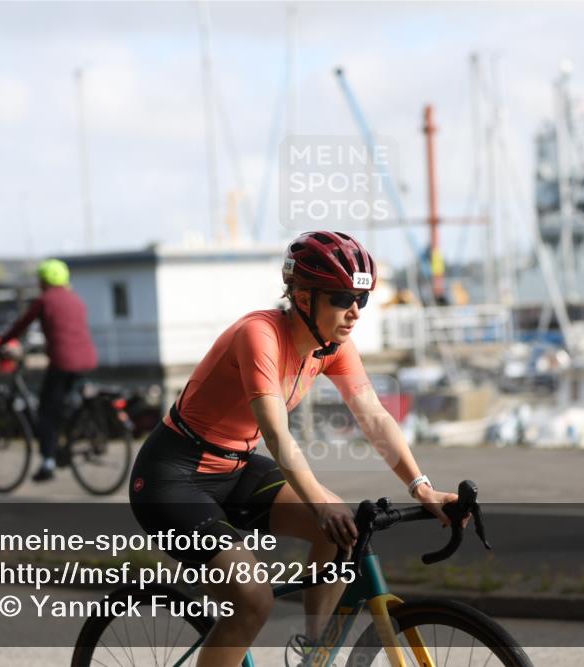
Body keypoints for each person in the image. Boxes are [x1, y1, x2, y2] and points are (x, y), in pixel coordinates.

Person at [128, 231, 469, 666]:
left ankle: (314, 652)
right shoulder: (260, 335)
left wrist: (421, 487)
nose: (354, 313)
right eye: (343, 298)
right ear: (304, 299)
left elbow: (374, 417)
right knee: (253, 599)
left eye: (361, 301)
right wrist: (317, 505)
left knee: (341, 528)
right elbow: (278, 436)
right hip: (172, 477)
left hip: (234, 467)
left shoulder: (332, 347)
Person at [0, 258, 98, 482]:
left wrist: (0, 343)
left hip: (63, 362)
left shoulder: (45, 300)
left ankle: (48, 463)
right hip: (88, 359)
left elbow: (21, 325)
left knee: (46, 413)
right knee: (66, 403)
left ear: (43, 281)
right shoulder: (76, 300)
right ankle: (72, 435)